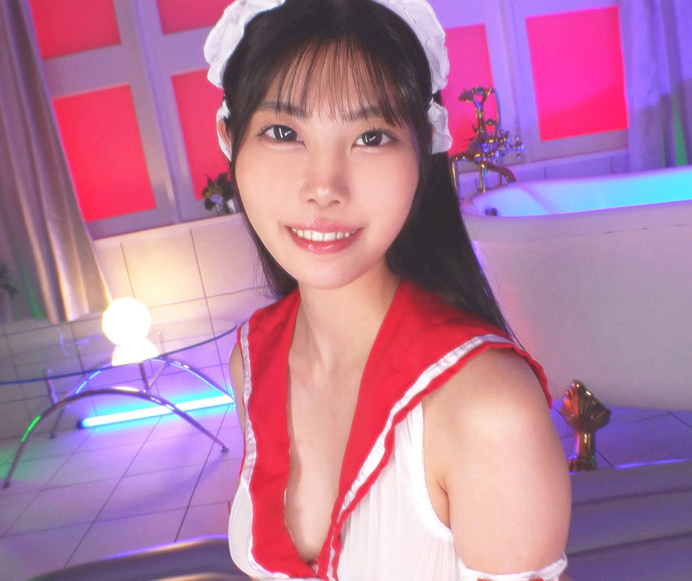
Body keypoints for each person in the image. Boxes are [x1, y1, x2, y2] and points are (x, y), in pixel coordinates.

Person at [203, 0, 571, 579]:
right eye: (284, 132)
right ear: (230, 139)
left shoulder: (487, 409)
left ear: (424, 147)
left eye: (371, 137)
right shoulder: (252, 358)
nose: (324, 186)